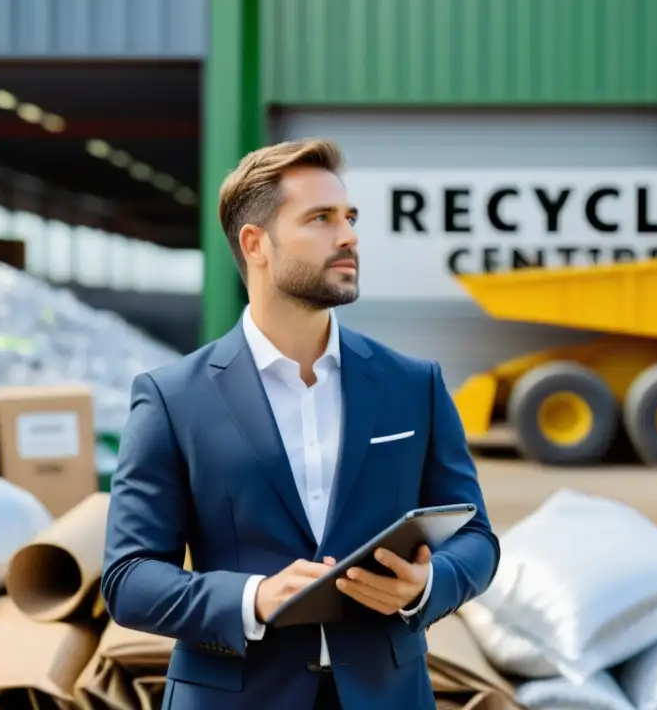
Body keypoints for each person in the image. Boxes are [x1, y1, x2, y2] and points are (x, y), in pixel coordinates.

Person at [101, 138, 500, 710]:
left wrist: (427, 585)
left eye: (350, 218)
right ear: (255, 243)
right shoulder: (172, 398)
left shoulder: (414, 385)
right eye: (320, 219)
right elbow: (130, 578)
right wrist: (253, 597)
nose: (349, 236)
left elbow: (476, 537)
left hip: (386, 695)